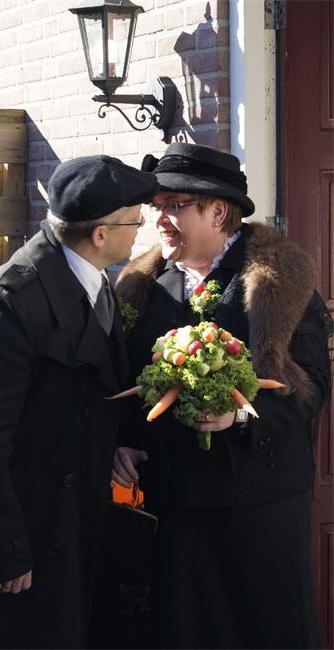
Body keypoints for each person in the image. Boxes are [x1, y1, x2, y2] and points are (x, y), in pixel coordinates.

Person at [0, 155, 159, 650]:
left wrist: (115, 445)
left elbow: (82, 392)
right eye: (135, 220)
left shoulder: (92, 278)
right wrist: (1, 548)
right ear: (100, 234)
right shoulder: (7, 300)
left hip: (50, 510)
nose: (142, 228)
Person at [112, 143, 332, 650]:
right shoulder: (143, 286)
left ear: (217, 212)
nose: (159, 219)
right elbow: (123, 380)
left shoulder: (278, 287)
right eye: (155, 206)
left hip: (256, 513)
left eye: (173, 205)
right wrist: (121, 442)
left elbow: (311, 390)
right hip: (175, 514)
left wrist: (240, 416)